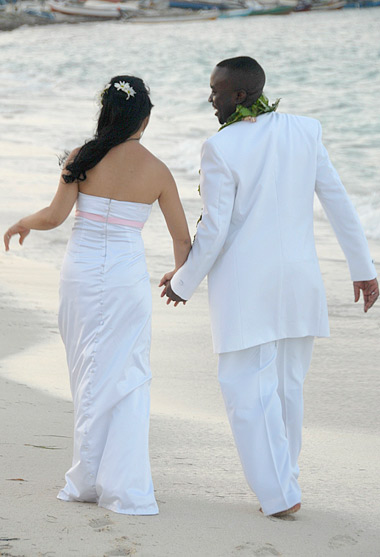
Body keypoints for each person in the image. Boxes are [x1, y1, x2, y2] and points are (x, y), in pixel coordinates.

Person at [161, 57, 378, 517]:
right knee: (286, 389)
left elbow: (216, 229)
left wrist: (183, 282)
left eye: (216, 91)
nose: (210, 98)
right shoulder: (306, 130)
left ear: (239, 95)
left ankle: (280, 495)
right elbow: (337, 199)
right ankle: (286, 482)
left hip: (247, 288)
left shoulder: (220, 147)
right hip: (299, 281)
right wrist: (364, 268)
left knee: (245, 390)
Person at [4, 75, 191, 515]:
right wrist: (181, 278)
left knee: (85, 368)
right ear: (144, 119)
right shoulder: (159, 170)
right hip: (126, 279)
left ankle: (86, 478)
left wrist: (23, 222)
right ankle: (122, 483)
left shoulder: (82, 158)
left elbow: (54, 216)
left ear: (106, 114)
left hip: (80, 275)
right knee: (126, 371)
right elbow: (182, 240)